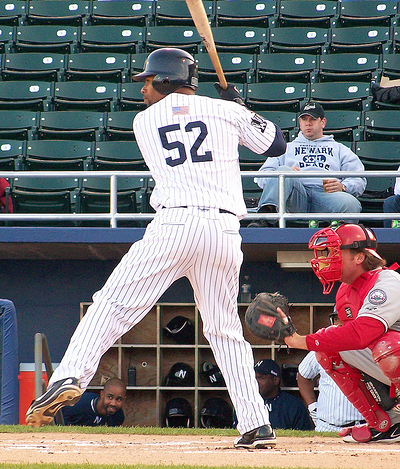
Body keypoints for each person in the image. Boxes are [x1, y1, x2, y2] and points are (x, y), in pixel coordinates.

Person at [26, 47, 287, 450]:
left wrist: (232, 111)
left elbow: (191, 119)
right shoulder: (224, 111)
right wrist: (241, 108)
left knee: (113, 304)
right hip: (223, 231)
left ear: (166, 80)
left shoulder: (144, 121)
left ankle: (70, 376)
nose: (143, 88)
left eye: (148, 80)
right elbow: (276, 145)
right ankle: (256, 423)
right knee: (224, 331)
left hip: (175, 224)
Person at [280, 222, 400, 443]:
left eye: (334, 252)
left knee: (388, 347)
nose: (327, 259)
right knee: (330, 347)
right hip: (387, 366)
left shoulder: (387, 282)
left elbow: (361, 334)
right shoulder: (346, 290)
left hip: (393, 352)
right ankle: (387, 423)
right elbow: (347, 339)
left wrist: (301, 341)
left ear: (359, 257)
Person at [248, 101, 366, 228]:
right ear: (300, 123)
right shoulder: (286, 148)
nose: (308, 123)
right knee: (284, 171)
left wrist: (343, 186)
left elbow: (359, 179)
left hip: (327, 196)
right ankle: (264, 218)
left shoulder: (340, 149)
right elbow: (261, 177)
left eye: (312, 119)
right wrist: (286, 176)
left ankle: (340, 234)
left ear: (323, 122)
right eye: (304, 119)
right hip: (296, 197)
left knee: (351, 204)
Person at [298, 308, 365, 432]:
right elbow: (303, 375)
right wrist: (312, 406)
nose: (339, 323)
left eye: (343, 319)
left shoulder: (367, 349)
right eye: (336, 319)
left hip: (360, 425)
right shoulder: (322, 347)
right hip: (325, 426)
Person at [250, 359, 313, 430]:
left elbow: (303, 435)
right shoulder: (247, 403)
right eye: (254, 378)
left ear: (275, 380)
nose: (255, 382)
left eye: (261, 378)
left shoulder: (293, 405)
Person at [60, 378, 126, 426]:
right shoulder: (76, 404)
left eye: (119, 399)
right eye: (110, 397)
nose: (113, 403)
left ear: (124, 399)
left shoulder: (118, 416)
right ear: (102, 394)